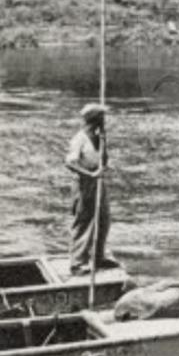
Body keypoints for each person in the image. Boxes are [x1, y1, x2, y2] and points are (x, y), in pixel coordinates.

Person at [65, 104, 110, 273]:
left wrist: (104, 141)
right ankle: (77, 263)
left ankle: (98, 258)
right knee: (83, 222)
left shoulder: (99, 138)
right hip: (84, 184)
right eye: (102, 117)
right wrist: (90, 175)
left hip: (99, 182)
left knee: (103, 219)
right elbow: (70, 163)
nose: (105, 120)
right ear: (95, 119)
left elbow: (104, 161)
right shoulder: (79, 139)